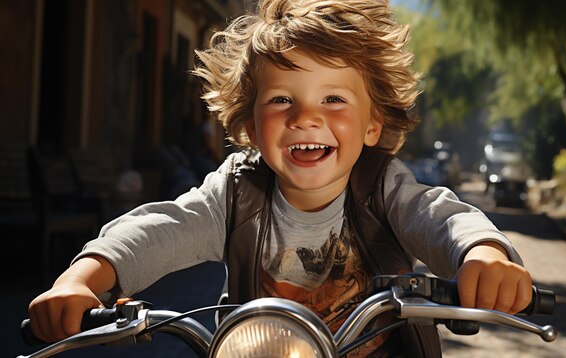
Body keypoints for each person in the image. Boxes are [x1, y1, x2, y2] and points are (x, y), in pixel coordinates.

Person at [28, 0, 533, 356]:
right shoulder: (235, 192)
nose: (306, 117)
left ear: (372, 124)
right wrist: (81, 281)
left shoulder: (384, 188)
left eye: (334, 98)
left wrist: (482, 255)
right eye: (281, 99)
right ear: (250, 124)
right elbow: (157, 228)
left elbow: (440, 217)